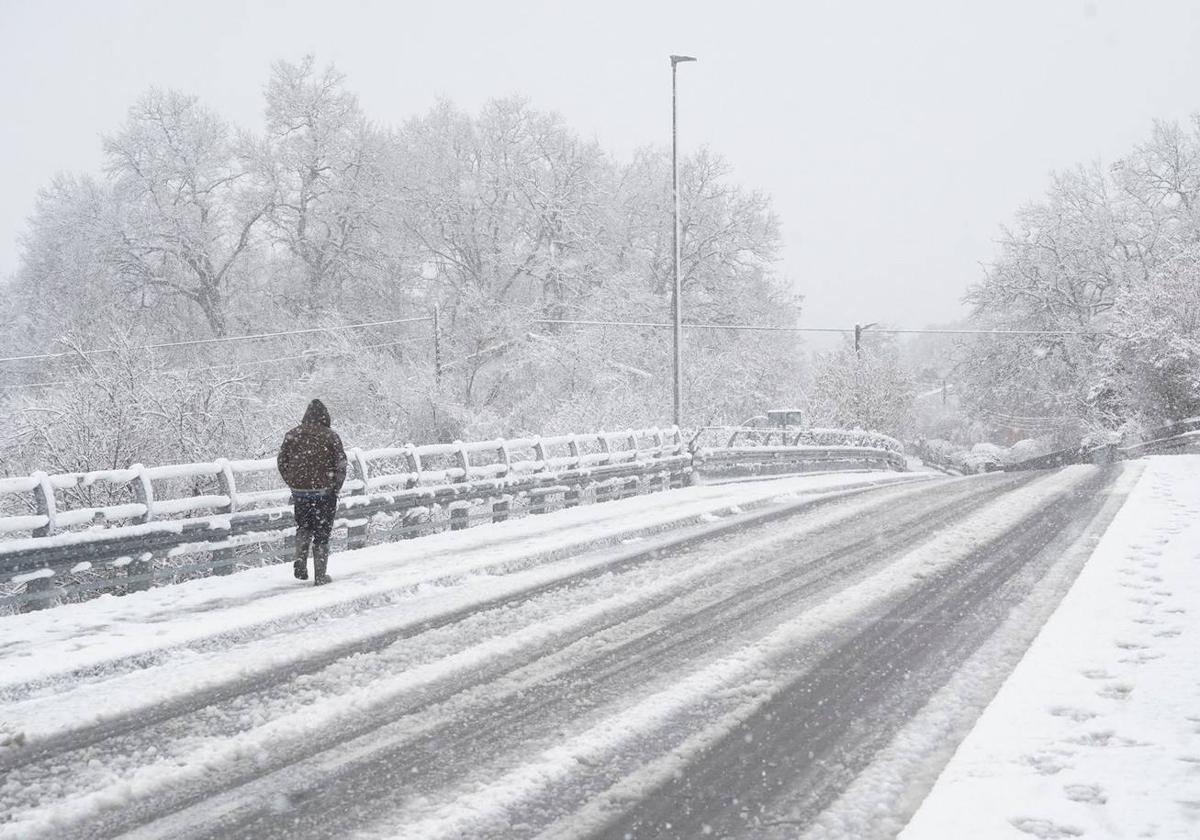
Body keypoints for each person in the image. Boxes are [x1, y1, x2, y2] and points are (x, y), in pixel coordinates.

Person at [277, 399, 347, 585]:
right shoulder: (331, 436)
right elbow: (341, 464)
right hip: (325, 492)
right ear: (325, 417)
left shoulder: (292, 434)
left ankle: (300, 560)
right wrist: (335, 487)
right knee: (322, 533)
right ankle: (320, 576)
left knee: (304, 526)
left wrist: (293, 482)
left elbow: (281, 461)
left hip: (300, 492)